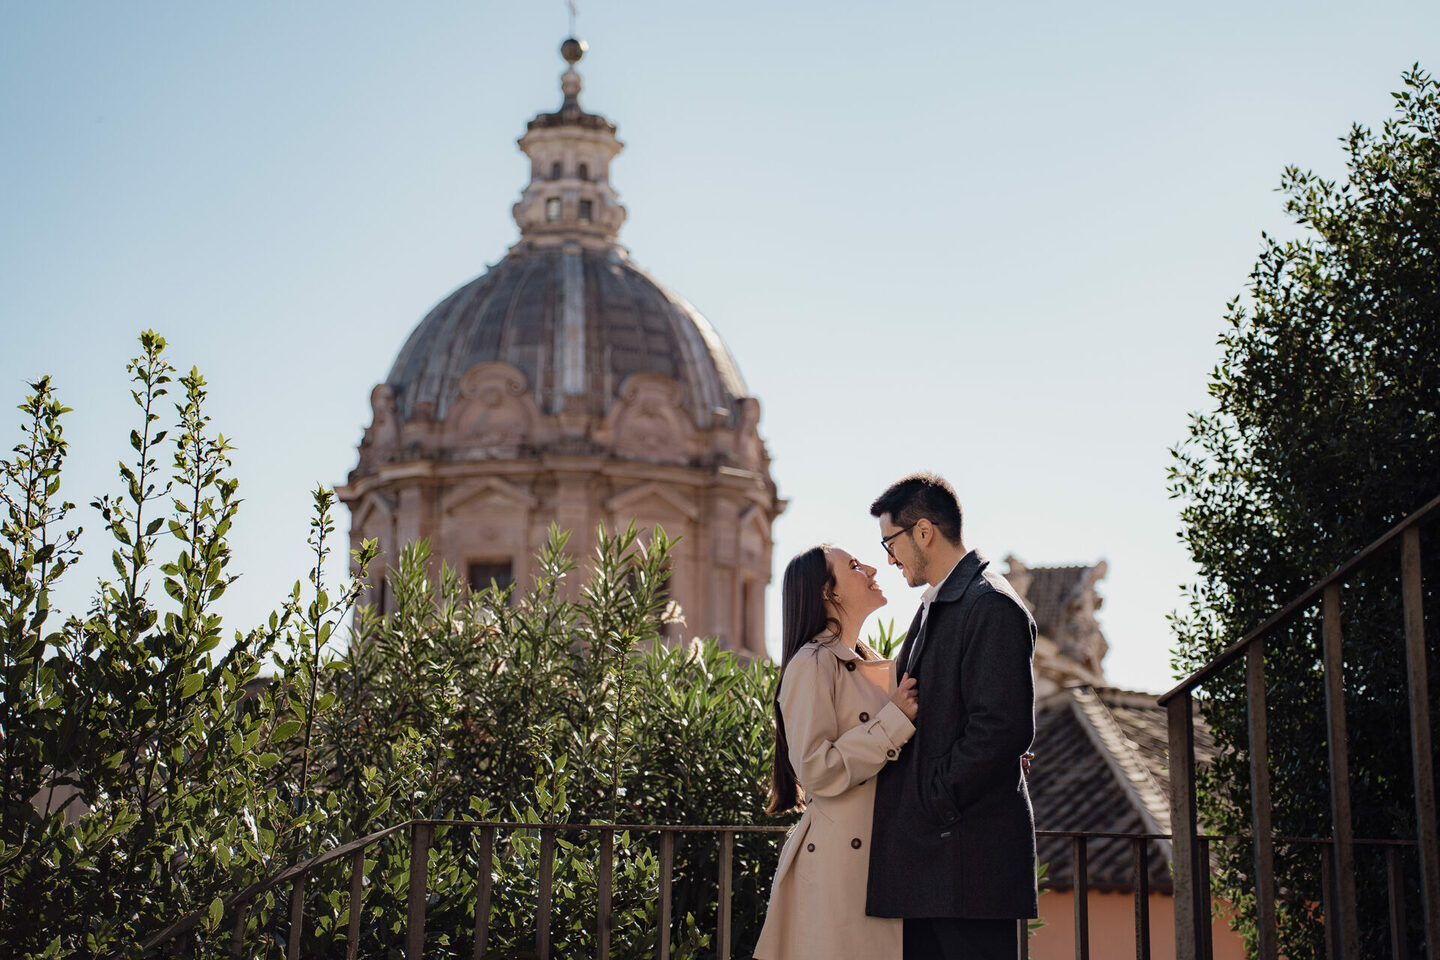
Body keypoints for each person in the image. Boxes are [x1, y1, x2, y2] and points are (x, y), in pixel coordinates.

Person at [865, 472, 1038, 960]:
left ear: (923, 531)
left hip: (966, 862)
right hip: (935, 860)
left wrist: (932, 797)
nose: (889, 559)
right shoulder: (938, 604)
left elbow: (1002, 730)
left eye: (889, 543)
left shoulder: (990, 604)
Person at [752, 544, 920, 960]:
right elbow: (815, 770)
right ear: (830, 592)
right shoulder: (811, 663)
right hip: (840, 867)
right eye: (854, 566)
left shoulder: (877, 665)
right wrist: (893, 721)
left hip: (885, 861)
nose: (871, 568)